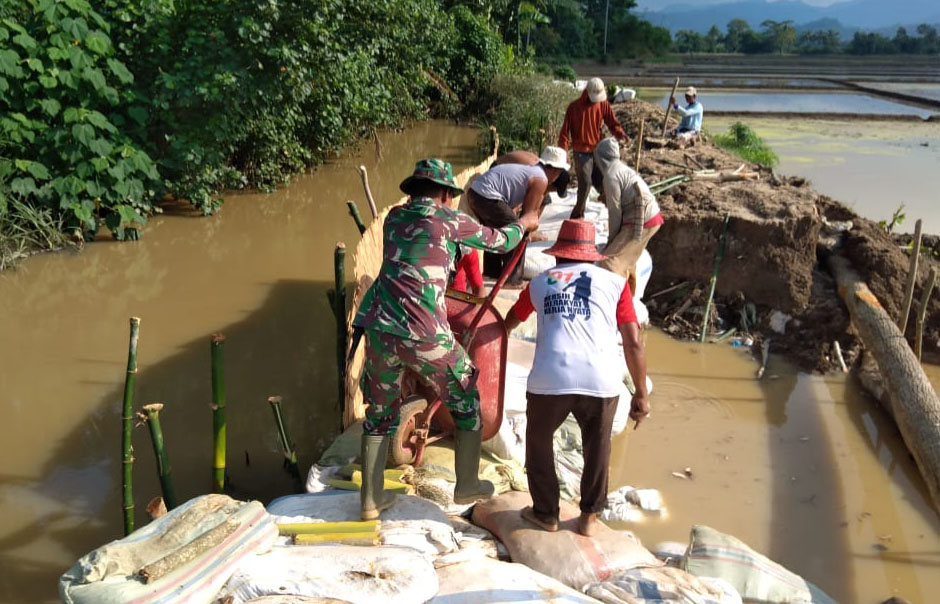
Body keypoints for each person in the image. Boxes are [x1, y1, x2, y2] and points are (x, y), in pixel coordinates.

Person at [353, 158, 538, 521]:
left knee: (378, 412)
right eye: (450, 195)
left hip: (379, 327)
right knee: (467, 394)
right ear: (442, 193)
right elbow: (500, 242)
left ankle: (370, 498)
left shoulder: (394, 218)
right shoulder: (449, 220)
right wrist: (524, 222)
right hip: (423, 331)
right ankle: (466, 483)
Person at [504, 219, 650, 537]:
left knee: (539, 443)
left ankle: (545, 513)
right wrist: (641, 393)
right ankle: (589, 518)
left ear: (558, 255)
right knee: (598, 447)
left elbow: (510, 322)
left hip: (549, 378)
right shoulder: (615, 283)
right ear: (591, 255)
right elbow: (633, 341)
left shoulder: (540, 282)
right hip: (601, 381)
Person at [468, 146, 570, 284]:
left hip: (475, 193)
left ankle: (492, 273)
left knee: (496, 232)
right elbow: (528, 216)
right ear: (556, 170)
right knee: (517, 232)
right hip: (488, 196)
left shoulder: (533, 170)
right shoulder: (541, 179)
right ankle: (513, 280)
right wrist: (527, 231)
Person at [593, 137, 662, 292]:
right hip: (649, 216)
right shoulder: (622, 169)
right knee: (627, 261)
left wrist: (611, 242)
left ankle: (619, 305)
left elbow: (615, 213)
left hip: (641, 220)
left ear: (600, 157)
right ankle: (630, 295)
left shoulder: (611, 176)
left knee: (610, 262)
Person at [558, 77, 628, 220]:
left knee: (604, 181)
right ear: (587, 92)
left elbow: (612, 122)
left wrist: (620, 133)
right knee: (585, 184)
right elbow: (564, 132)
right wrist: (563, 152)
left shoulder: (603, 104)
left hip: (598, 150)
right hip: (581, 151)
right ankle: (577, 216)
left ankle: (614, 211)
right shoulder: (574, 108)